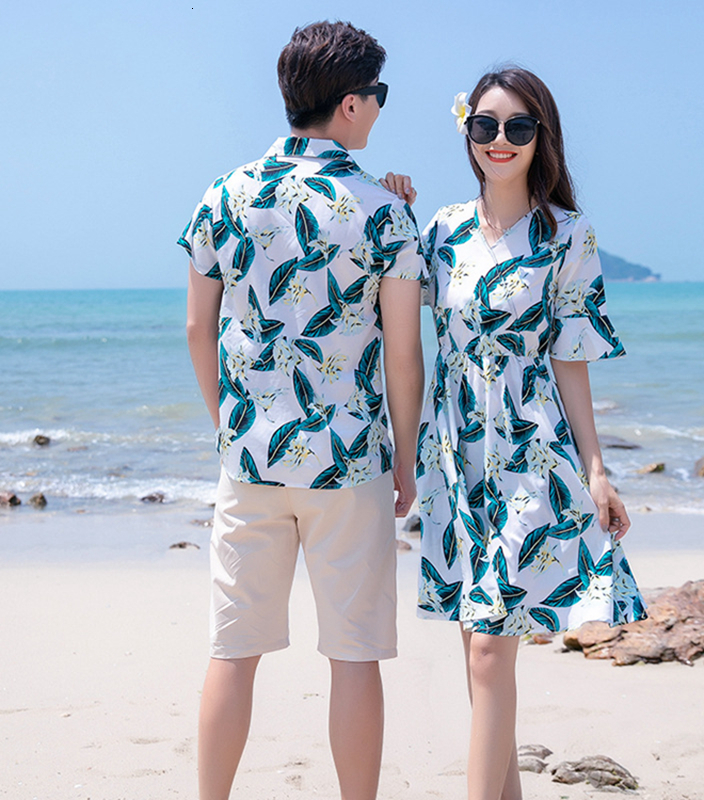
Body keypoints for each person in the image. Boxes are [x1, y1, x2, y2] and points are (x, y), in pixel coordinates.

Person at [384, 66, 647, 800]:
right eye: (486, 126)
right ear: (467, 131)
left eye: (519, 127)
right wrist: (388, 204)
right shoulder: (439, 230)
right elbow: (389, 319)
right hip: (456, 453)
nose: (501, 141)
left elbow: (571, 360)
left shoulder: (568, 234)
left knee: (493, 654)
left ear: (541, 138)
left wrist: (597, 469)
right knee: (478, 653)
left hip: (532, 454)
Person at [179, 21, 425, 800]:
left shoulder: (224, 193)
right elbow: (402, 354)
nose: (380, 110)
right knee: (353, 654)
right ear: (350, 105)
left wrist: (228, 422)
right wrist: (407, 460)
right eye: (378, 96)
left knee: (233, 650)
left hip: (248, 455)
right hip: (349, 461)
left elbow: (197, 326)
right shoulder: (383, 213)